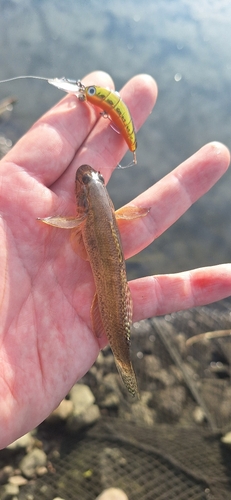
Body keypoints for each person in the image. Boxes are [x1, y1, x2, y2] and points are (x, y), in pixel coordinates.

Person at [0, 71, 230, 450]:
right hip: (107, 263)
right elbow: (113, 213)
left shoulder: (86, 213)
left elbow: (65, 219)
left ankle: (126, 368)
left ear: (85, 207)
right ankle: (125, 369)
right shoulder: (107, 211)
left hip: (108, 273)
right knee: (109, 311)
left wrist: (52, 220)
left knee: (109, 314)